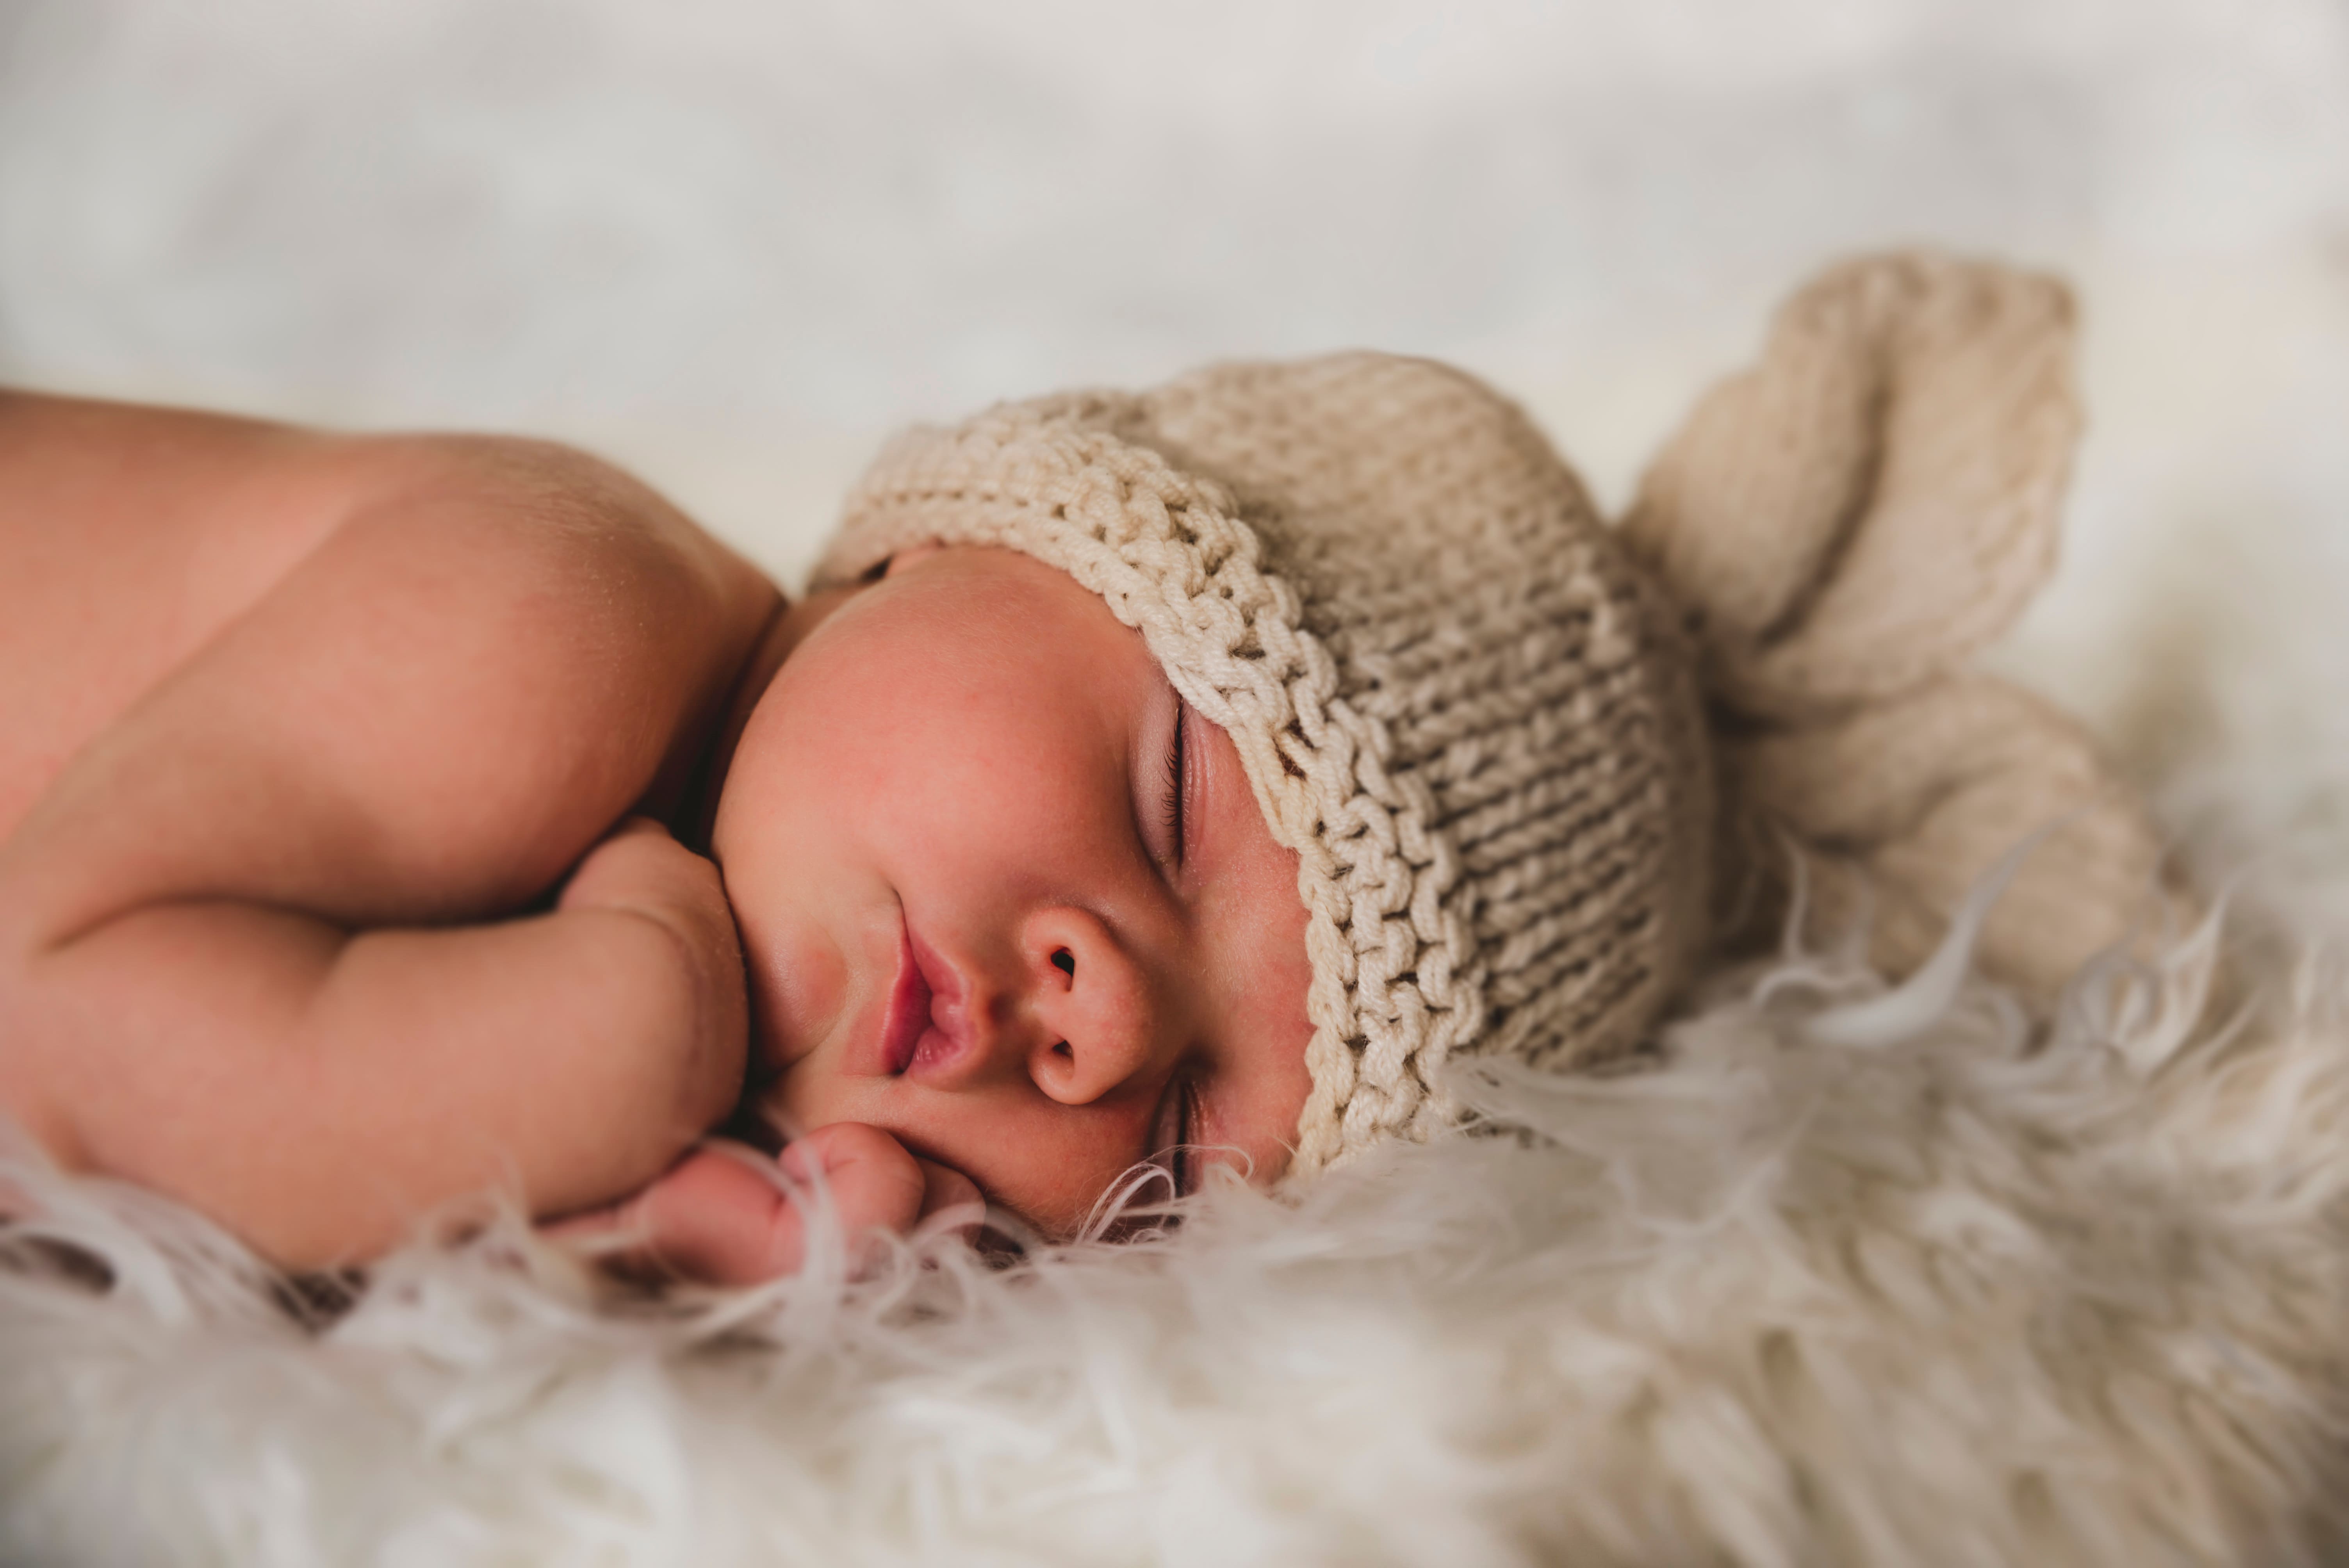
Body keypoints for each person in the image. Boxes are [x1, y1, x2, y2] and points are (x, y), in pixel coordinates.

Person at [0, 251, 2178, 1287]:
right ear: (954, 546)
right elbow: (66, 1035)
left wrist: (667, 1244)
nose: (1103, 1005)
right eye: (1165, 808)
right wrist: (639, 1029)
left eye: (1196, 1124)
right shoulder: (547, 613)